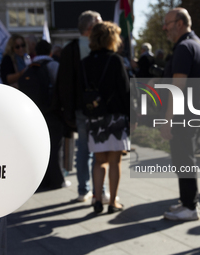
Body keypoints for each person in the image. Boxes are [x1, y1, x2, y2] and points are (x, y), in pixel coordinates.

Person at [161, 8, 200, 221]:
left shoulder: (184, 47)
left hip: (183, 115)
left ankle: (189, 207)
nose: (164, 28)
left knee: (184, 160)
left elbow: (177, 87)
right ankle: (189, 202)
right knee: (184, 159)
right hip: (194, 112)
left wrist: (167, 119)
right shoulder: (198, 44)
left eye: (167, 23)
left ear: (179, 23)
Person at [54, 11, 107, 202]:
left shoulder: (73, 49)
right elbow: (65, 82)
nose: (103, 27)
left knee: (87, 150)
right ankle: (96, 191)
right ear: (91, 27)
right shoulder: (93, 48)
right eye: (100, 23)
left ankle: (86, 190)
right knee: (94, 150)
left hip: (83, 109)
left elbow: (64, 83)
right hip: (88, 109)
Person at [81, 21, 130, 214]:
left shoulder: (85, 62)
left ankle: (97, 200)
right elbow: (125, 91)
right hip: (115, 116)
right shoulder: (115, 60)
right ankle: (113, 203)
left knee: (99, 160)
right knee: (114, 162)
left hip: (94, 116)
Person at [21, 39, 70, 190]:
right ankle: (56, 180)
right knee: (55, 148)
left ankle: (40, 180)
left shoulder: (29, 67)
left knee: (39, 148)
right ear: (50, 52)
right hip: (52, 114)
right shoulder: (54, 66)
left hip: (34, 115)